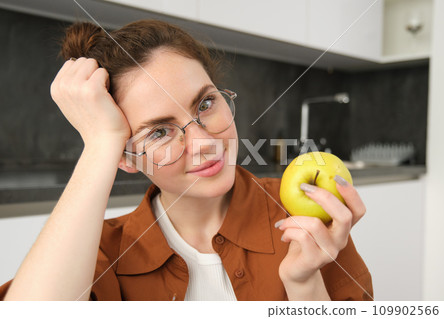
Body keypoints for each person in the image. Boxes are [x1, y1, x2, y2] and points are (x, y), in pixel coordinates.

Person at [0, 20, 372, 301]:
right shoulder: (99, 254)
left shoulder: (307, 220)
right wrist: (101, 142)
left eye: (205, 103)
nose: (203, 144)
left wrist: (304, 284)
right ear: (126, 157)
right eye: (160, 131)